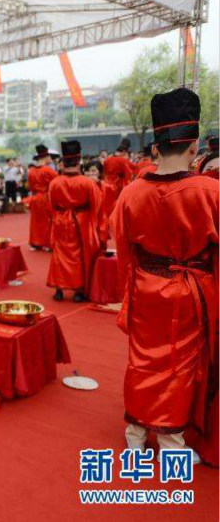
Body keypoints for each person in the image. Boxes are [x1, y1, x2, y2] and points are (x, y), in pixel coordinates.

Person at [112, 88, 217, 467]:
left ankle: (136, 436)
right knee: (180, 363)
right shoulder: (211, 191)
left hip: (145, 287)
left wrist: (132, 286)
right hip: (192, 291)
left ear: (155, 145)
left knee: (142, 359)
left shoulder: (130, 194)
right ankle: (172, 438)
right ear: (194, 146)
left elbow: (123, 250)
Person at [47, 140, 102, 303]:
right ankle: (78, 291)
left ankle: (59, 289)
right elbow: (97, 204)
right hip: (80, 221)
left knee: (59, 253)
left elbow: (50, 206)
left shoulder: (54, 183)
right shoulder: (88, 183)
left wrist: (58, 217)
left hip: (60, 221)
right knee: (77, 255)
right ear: (79, 162)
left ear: (63, 162)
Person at [25, 145, 58, 251]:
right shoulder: (48, 170)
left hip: (35, 197)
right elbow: (58, 182)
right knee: (48, 221)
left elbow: (29, 186)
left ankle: (35, 243)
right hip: (45, 197)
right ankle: (48, 243)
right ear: (46, 157)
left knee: (35, 221)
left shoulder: (31, 171)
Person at [102, 137, 135, 216]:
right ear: (124, 151)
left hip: (106, 185)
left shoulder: (106, 160)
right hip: (118, 186)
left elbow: (103, 173)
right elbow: (130, 173)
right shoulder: (122, 160)